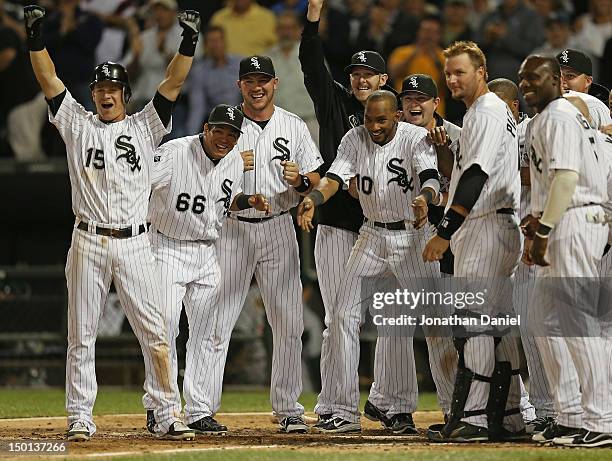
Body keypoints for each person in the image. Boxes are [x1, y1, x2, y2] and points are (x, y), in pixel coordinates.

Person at [23, 4, 200, 441]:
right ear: (93, 92)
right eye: (100, 86)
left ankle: (164, 413)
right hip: (88, 241)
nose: (105, 93)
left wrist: (189, 41)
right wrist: (35, 38)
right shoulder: (75, 123)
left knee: (156, 334)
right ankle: (80, 415)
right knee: (81, 336)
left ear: (125, 94)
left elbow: (173, 81)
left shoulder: (145, 125)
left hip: (137, 244)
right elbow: (48, 80)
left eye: (113, 87)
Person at [301, 0, 424, 434]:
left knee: (395, 321)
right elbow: (311, 63)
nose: (359, 78)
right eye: (354, 73)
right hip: (341, 226)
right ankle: (336, 403)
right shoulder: (338, 106)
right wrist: (313, 20)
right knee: (339, 316)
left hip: (387, 228)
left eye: (367, 73)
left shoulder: (401, 123)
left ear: (383, 81)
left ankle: (390, 403)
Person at [297, 90, 441, 433]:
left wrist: (425, 197)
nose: (373, 126)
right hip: (372, 234)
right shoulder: (354, 137)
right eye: (368, 118)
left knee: (437, 326)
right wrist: (314, 198)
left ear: (396, 117)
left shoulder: (415, 138)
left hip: (412, 237)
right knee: (343, 315)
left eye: (381, 119)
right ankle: (344, 411)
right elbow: (333, 178)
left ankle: (454, 411)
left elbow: (432, 178)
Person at [198, 55, 323, 434]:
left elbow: (315, 177)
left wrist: (300, 179)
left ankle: (287, 407)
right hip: (232, 227)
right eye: (250, 80)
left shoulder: (292, 124)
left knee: (288, 320)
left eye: (263, 79)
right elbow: (201, 171)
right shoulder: (226, 125)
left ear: (275, 83)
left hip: (278, 227)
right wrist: (232, 164)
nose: (257, 86)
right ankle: (201, 408)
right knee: (216, 317)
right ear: (239, 86)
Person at [146, 104, 270, 435]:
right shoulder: (173, 152)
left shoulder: (232, 160)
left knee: (205, 335)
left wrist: (248, 201)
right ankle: (162, 407)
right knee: (164, 330)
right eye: (220, 131)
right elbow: (141, 183)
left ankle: (199, 410)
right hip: (167, 248)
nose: (225, 138)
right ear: (205, 128)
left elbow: (223, 201)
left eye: (232, 133)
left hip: (206, 253)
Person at [423, 41, 524, 442]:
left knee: (475, 324)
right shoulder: (489, 112)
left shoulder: (485, 111)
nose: (452, 79)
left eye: (459, 72)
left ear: (481, 72)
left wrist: (444, 232)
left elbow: (476, 175)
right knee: (497, 326)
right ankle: (512, 416)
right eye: (448, 73)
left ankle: (477, 419)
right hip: (498, 225)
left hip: (485, 227)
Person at [518, 54, 612, 447]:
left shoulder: (557, 114)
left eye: (534, 78)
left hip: (574, 221)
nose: (526, 85)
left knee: (579, 323)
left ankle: (602, 419)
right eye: (522, 79)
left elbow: (568, 176)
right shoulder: (550, 117)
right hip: (563, 220)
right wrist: (537, 221)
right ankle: (572, 413)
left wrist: (544, 228)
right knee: (544, 319)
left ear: (557, 80)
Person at [487, 77, 556, 434]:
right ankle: (543, 408)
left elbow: (550, 174)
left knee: (549, 325)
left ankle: (565, 408)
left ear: (513, 107)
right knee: (526, 328)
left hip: (547, 232)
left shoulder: (536, 129)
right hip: (513, 236)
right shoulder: (506, 132)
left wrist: (500, 171)